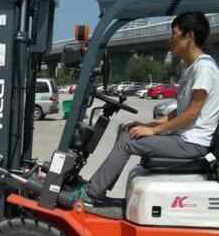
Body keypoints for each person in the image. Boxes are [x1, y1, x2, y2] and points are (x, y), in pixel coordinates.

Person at [67, 11, 219, 206]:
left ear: (189, 36)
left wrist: (155, 130)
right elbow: (179, 112)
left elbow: (192, 113)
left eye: (174, 34)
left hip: (192, 144)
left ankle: (92, 194)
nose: (170, 39)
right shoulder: (191, 67)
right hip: (184, 138)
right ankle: (98, 188)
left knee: (128, 141)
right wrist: (148, 125)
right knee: (127, 130)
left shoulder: (204, 68)